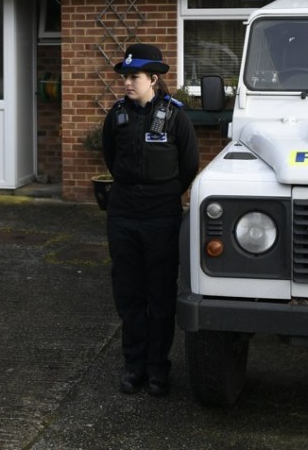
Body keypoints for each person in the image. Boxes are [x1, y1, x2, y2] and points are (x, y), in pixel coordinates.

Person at [102, 43, 199, 397]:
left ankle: (158, 368)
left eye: (134, 77)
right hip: (124, 214)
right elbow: (111, 159)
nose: (127, 83)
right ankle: (134, 366)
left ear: (153, 79)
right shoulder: (116, 116)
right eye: (125, 77)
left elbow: (189, 166)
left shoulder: (175, 117)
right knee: (129, 294)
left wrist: (161, 194)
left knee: (159, 296)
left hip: (161, 216)